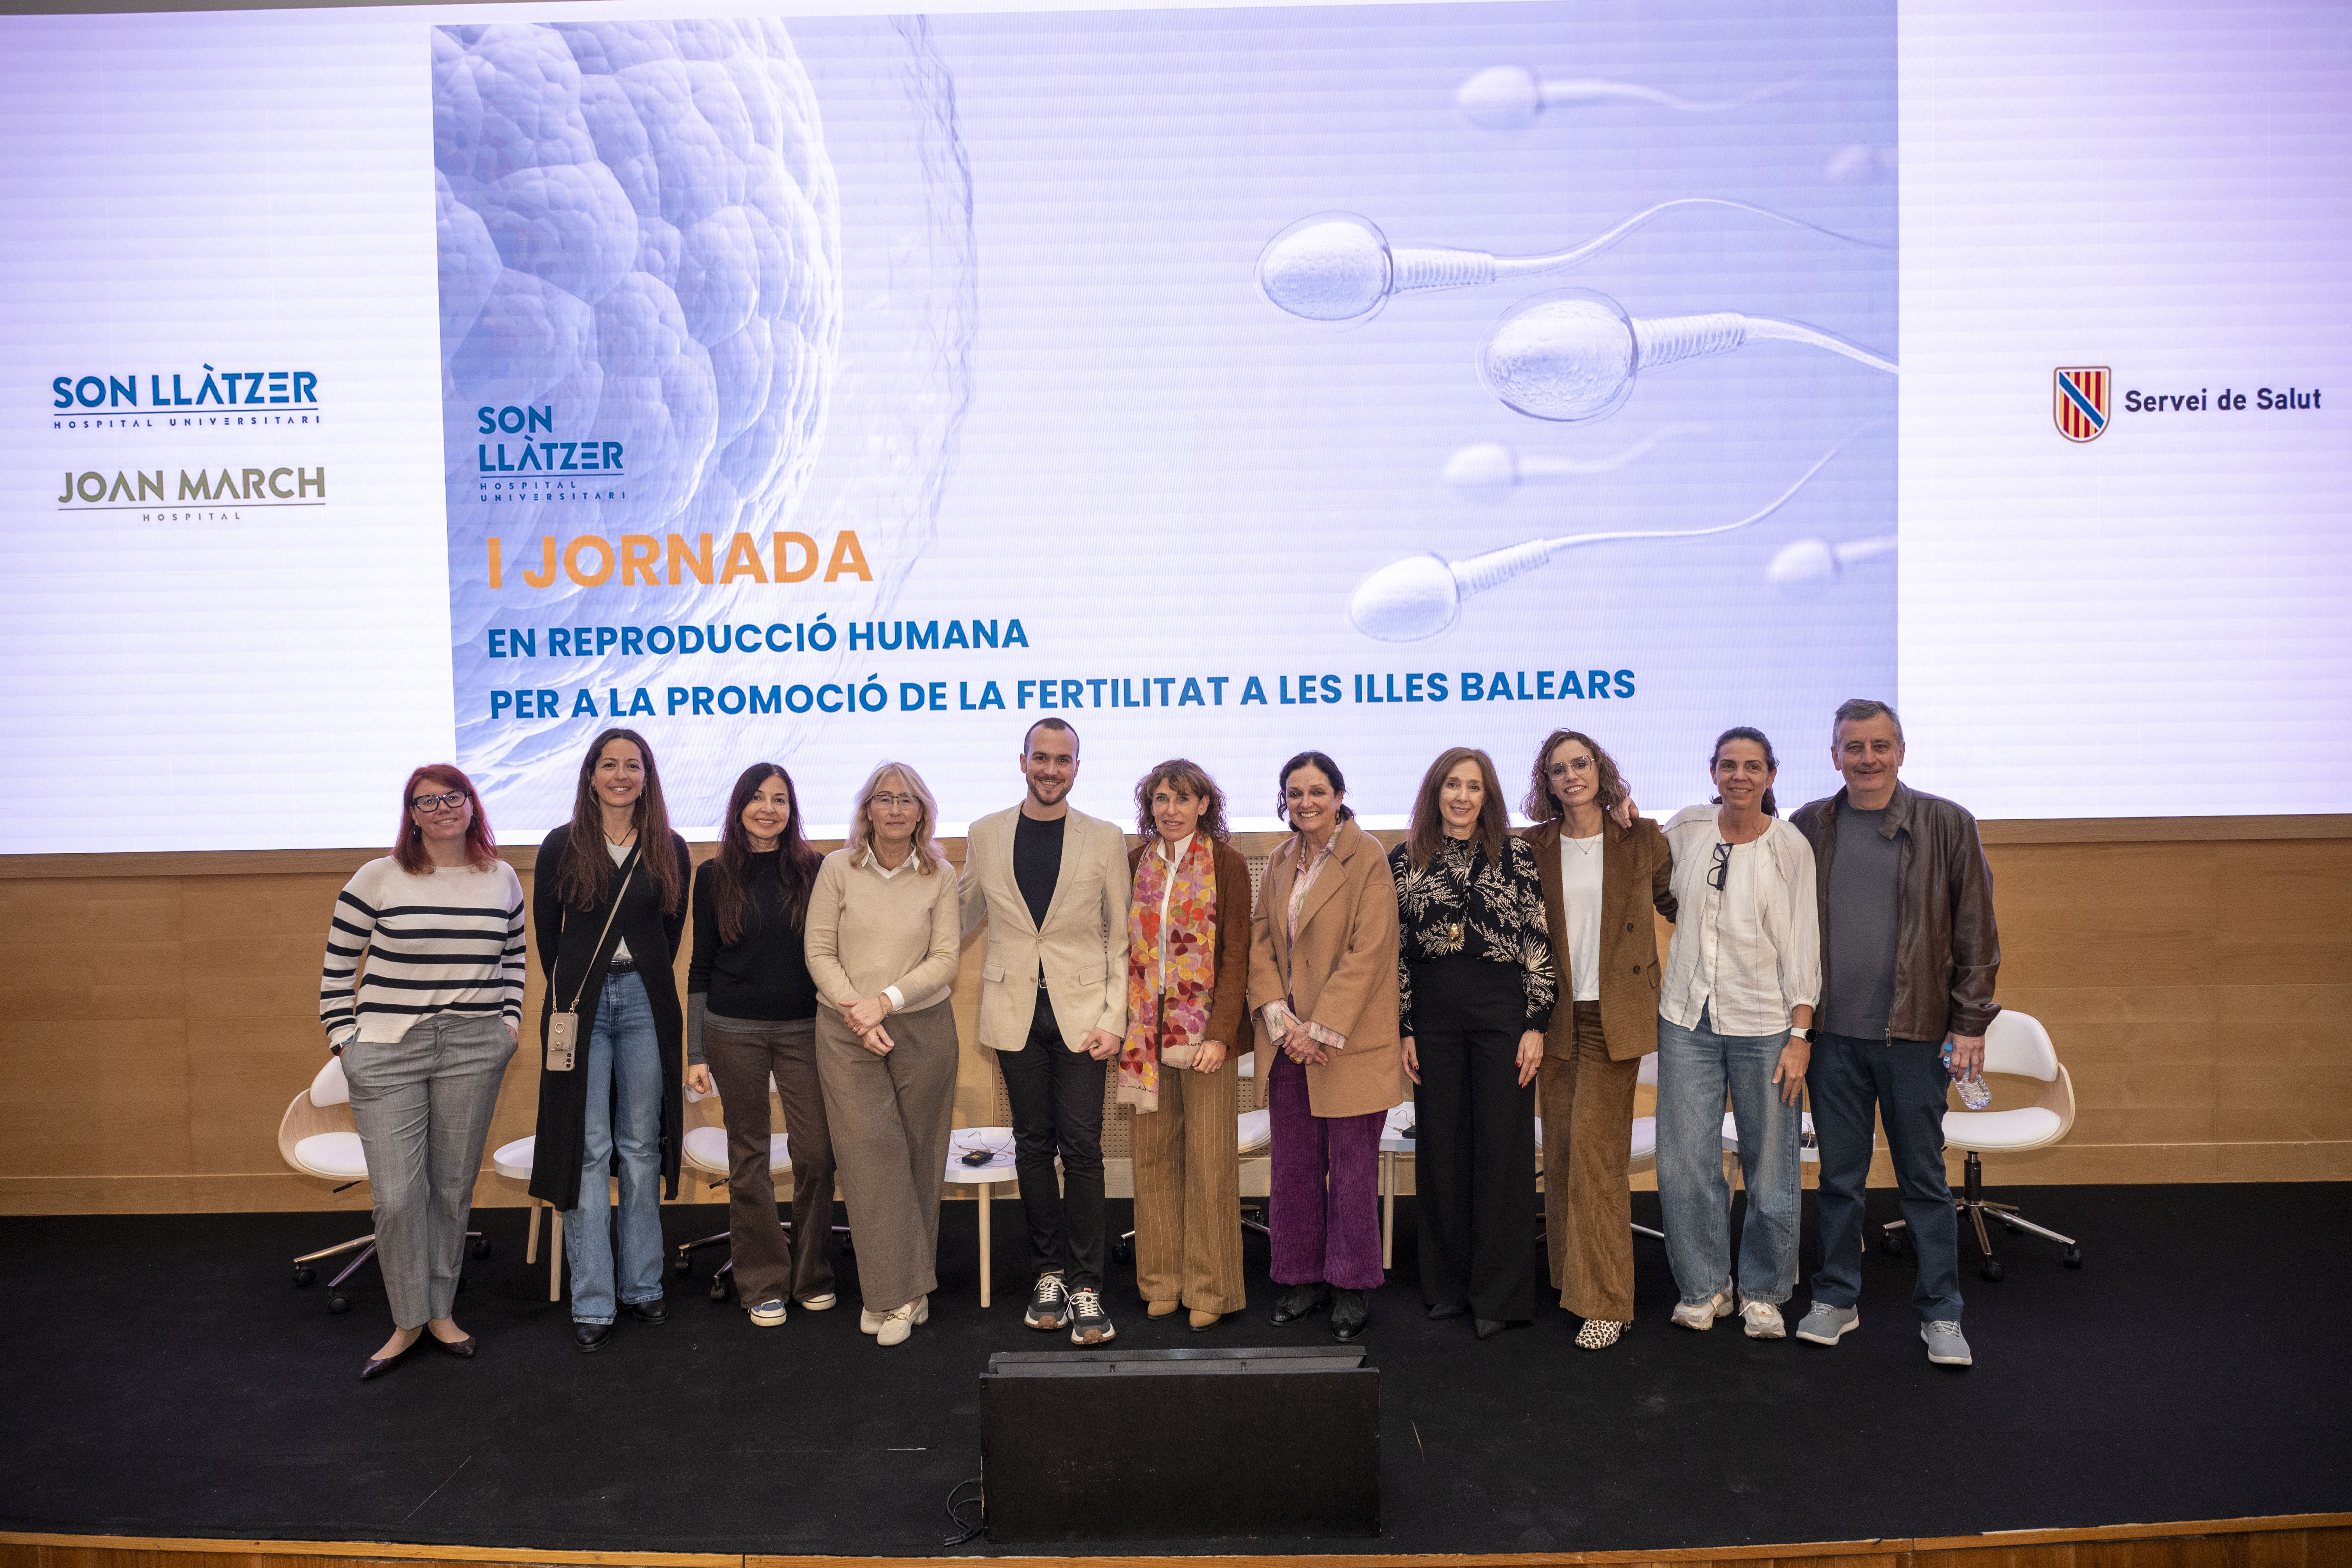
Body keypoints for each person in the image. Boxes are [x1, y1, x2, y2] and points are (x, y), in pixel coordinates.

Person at [1792, 698, 2000, 1368]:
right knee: (1840, 1180)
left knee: (1923, 1180)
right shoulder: (1809, 827)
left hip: (1915, 1038)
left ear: (1901, 752)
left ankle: (1942, 1312)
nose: (1868, 759)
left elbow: (1977, 931)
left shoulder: (1946, 824)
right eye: (1854, 747)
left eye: (1880, 746)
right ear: (1835, 757)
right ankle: (1835, 1298)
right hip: (1832, 1040)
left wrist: (1970, 1022)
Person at [320, 765, 525, 1380]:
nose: (442, 808)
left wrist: (508, 1027)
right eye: (427, 801)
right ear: (411, 814)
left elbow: (514, 958)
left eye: (452, 796)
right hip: (387, 1049)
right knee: (399, 1196)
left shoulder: (502, 878)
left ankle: (441, 1314)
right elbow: (337, 973)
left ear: (471, 804)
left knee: (451, 1188)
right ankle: (408, 1320)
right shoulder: (377, 878)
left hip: (473, 1046)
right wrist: (345, 1042)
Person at [959, 718, 1132, 1345]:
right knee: (1033, 1145)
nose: (1051, 769)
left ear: (1077, 768)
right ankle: (1049, 1276)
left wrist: (1116, 1018)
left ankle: (1088, 1287)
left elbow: (1123, 938)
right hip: (1014, 1016)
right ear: (1023, 761)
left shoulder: (1105, 838)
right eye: (1042, 758)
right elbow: (959, 914)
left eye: (1063, 760)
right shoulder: (985, 833)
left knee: (1082, 1149)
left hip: (1084, 1018)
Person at [529, 728, 695, 1353]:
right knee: (590, 1148)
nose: (621, 774)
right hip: (580, 1009)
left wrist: (633, 978)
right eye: (609, 764)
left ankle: (645, 1287)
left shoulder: (670, 849)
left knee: (640, 1148)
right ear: (591, 775)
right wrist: (582, 987)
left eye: (633, 765)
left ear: (647, 777)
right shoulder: (560, 846)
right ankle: (594, 1299)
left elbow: (669, 934)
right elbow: (551, 939)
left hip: (647, 1005)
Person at [1655, 727, 1820, 1339]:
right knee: (1684, 1163)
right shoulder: (1689, 829)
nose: (1740, 777)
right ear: (1713, 771)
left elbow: (1804, 940)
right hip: (1687, 1020)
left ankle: (1765, 1292)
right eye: (1729, 765)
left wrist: (1802, 1033)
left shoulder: (1791, 848)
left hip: (1767, 1025)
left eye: (1753, 767)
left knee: (1770, 1164)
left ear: (1771, 776)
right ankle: (1704, 1288)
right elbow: (1647, 869)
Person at [1391, 747, 1555, 1339]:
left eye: (1475, 787)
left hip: (1501, 1012)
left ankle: (1500, 1295)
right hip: (1432, 1016)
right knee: (1441, 1146)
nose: (1463, 796)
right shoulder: (1404, 860)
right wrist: (1405, 1027)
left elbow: (1537, 937)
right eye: (1453, 785)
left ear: (1489, 798)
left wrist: (1536, 1021)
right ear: (1435, 792)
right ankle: (1447, 1287)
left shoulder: (1516, 854)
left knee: (1502, 1148)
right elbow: (1400, 955)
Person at [1520, 730, 1674, 1351]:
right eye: (1558, 770)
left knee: (1594, 1154)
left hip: (1617, 1016)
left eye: (1580, 764)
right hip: (1555, 1016)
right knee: (1559, 1152)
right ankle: (1569, 1280)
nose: (1571, 776)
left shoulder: (1642, 837)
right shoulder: (1534, 845)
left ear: (1600, 769)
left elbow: (1676, 902)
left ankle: (1609, 1300)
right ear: (1548, 784)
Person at [806, 761, 963, 1348]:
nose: (896, 808)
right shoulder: (836, 869)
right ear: (867, 810)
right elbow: (819, 950)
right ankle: (894, 1294)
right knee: (872, 1157)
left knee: (920, 1156)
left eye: (908, 799)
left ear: (923, 811)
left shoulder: (940, 874)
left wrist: (885, 1002)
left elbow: (946, 957)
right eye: (884, 798)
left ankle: (905, 1293)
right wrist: (858, 1009)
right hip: (845, 1029)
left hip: (922, 1027)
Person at [1247, 751, 1402, 1342]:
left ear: (1339, 795)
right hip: (1289, 1043)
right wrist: (1284, 1023)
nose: (1305, 802)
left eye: (1317, 791)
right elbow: (1262, 941)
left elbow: (1371, 952)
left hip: (1346, 1043)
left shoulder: (1369, 859)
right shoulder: (1282, 859)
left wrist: (1319, 1028)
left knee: (1354, 1172)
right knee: (1294, 1168)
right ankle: (1299, 1278)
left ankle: (1352, 1285)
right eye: (1295, 793)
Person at [683, 763, 834, 1329]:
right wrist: (696, 1052)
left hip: (806, 1030)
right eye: (758, 798)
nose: (769, 809)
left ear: (792, 810)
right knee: (748, 1157)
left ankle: (813, 1273)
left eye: (780, 799)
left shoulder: (816, 869)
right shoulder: (712, 874)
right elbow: (700, 967)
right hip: (732, 1031)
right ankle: (763, 1280)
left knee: (817, 1154)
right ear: (739, 805)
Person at [1118, 758, 1253, 1331]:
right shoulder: (1133, 863)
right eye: (1160, 799)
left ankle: (1211, 1287)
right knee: (1152, 1159)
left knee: (1209, 1162)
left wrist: (1222, 1035)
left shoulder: (1227, 864)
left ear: (1204, 805)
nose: (1170, 810)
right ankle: (1162, 1280)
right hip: (1144, 1037)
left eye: (1182, 799)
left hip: (1204, 1039)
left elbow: (1237, 956)